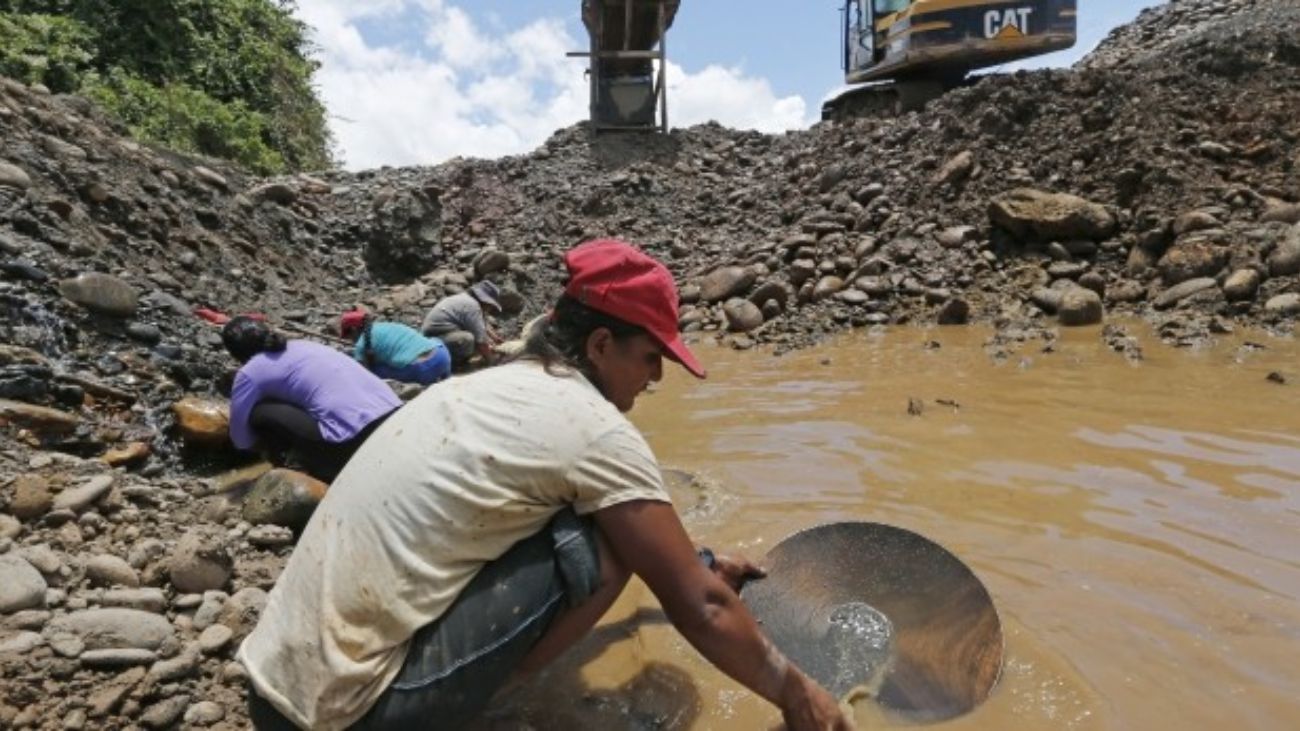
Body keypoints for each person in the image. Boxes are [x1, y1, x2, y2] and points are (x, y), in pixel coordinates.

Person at [239, 240, 853, 731]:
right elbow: (703, 606)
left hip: (272, 687)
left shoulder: (481, 387)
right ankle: (491, 709)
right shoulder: (593, 429)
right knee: (606, 538)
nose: (657, 376)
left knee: (578, 517)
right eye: (650, 356)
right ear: (602, 344)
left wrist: (701, 561)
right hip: (351, 714)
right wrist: (801, 698)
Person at [221, 316, 403, 482]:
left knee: (258, 413)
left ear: (235, 352)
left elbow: (241, 439)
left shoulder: (250, 372)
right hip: (398, 422)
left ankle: (292, 472)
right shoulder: (304, 345)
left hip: (353, 443)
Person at [338, 310, 452, 386]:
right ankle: (446, 377)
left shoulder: (361, 345)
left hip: (422, 370)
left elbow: (363, 377)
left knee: (375, 370)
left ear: (353, 330)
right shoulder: (387, 325)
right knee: (433, 341)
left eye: (348, 336)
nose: (350, 340)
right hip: (442, 357)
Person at [420, 280, 503, 369]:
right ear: (485, 301)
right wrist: (492, 361)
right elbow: (481, 341)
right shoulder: (472, 306)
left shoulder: (467, 300)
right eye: (491, 306)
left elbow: (482, 326)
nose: (490, 309)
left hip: (438, 337)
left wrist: (496, 339)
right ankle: (451, 365)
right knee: (467, 340)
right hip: (433, 342)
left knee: (480, 343)